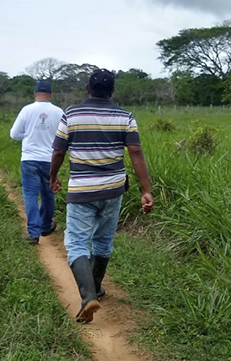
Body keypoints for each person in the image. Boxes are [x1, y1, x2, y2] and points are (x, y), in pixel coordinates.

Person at [49, 68, 153, 323]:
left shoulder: (71, 114)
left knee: (76, 243)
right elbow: (136, 152)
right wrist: (146, 190)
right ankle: (96, 288)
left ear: (87, 88)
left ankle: (88, 297)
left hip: (82, 190)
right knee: (103, 241)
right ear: (112, 90)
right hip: (113, 190)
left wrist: (52, 177)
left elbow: (59, 152)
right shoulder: (125, 116)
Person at [10, 79, 63, 244]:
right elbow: (64, 137)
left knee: (31, 195)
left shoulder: (27, 110)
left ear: (35, 94)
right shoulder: (59, 112)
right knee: (48, 194)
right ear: (51, 95)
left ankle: (33, 233)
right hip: (49, 159)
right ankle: (46, 225)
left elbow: (14, 134)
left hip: (29, 159)